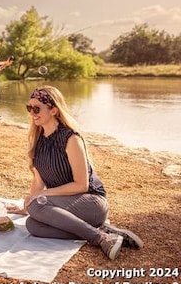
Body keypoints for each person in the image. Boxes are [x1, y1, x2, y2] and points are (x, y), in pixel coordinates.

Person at [7, 86, 143, 260]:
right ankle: (99, 229)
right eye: (29, 108)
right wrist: (28, 205)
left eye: (37, 108)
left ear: (54, 110)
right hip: (67, 205)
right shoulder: (39, 140)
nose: (32, 112)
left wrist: (40, 197)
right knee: (33, 225)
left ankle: (101, 238)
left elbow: (81, 185)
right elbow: (39, 182)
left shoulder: (71, 138)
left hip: (91, 202)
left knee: (37, 205)